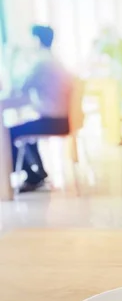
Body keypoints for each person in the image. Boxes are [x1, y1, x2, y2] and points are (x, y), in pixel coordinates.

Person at [7, 25, 74, 192]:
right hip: (61, 118)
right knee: (25, 129)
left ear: (37, 40)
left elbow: (21, 86)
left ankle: (28, 175)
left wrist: (13, 60)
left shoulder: (41, 63)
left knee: (11, 132)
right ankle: (37, 173)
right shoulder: (51, 59)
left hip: (55, 121)